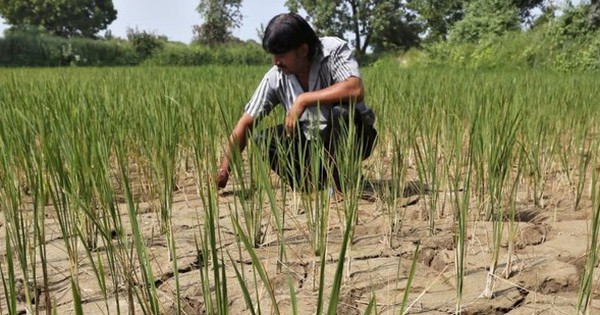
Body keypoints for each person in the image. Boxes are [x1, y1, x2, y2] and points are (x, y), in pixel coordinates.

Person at [216, 12, 377, 199]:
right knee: (264, 140)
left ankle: (339, 185)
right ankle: (316, 185)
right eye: (274, 55)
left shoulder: (333, 51)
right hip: (313, 145)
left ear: (303, 50)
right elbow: (246, 123)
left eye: (282, 55)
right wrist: (224, 170)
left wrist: (304, 99)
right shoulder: (276, 76)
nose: (276, 61)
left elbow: (355, 89)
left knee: (341, 112)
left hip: (355, 138)